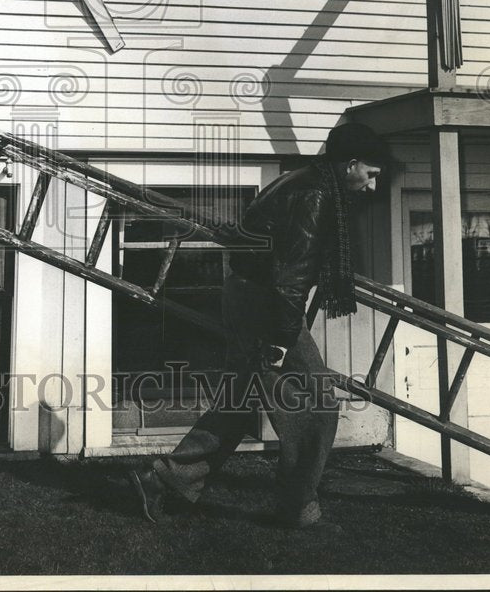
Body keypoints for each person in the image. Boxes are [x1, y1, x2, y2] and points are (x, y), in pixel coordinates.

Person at [130, 120, 388, 529]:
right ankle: (297, 508)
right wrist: (283, 341)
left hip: (247, 295)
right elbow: (292, 278)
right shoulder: (317, 194)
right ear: (351, 164)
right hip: (265, 305)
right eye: (371, 174)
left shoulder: (299, 180)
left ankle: (162, 480)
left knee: (239, 400)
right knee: (318, 406)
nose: (372, 185)